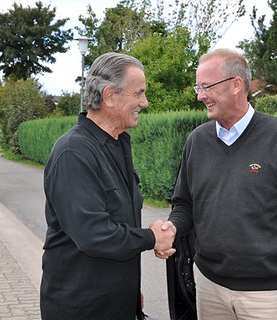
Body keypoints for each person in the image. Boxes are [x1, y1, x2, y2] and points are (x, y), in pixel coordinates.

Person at [156, 48, 277, 320]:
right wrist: (171, 227)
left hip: (268, 297)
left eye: (206, 87)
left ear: (236, 85)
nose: (200, 96)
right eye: (199, 87)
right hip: (209, 287)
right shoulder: (196, 141)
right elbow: (184, 203)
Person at [40, 52, 175, 320]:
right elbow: (95, 235)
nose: (145, 103)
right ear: (110, 95)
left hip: (116, 305)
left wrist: (128, 295)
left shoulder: (117, 143)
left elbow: (120, 222)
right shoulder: (74, 152)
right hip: (82, 309)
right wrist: (151, 238)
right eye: (139, 93)